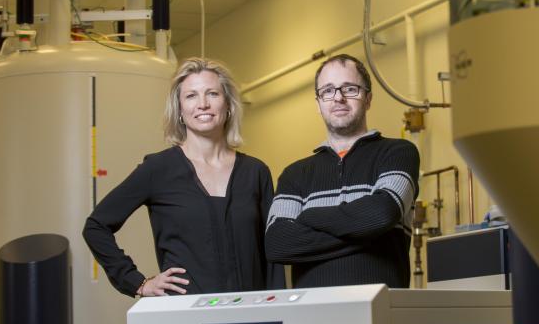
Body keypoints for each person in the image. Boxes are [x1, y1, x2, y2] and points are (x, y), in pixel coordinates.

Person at [83, 58, 279, 297]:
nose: (203, 104)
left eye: (212, 94)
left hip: (252, 313)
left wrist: (277, 308)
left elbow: (273, 254)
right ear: (180, 111)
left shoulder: (255, 172)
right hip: (184, 314)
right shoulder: (158, 169)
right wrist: (138, 283)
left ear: (228, 105)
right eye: (191, 96)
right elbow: (96, 226)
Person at [265, 54, 420, 288]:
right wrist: (371, 234)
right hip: (312, 316)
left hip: (379, 313)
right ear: (318, 104)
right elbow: (278, 244)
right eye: (327, 91)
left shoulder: (398, 153)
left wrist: (308, 217)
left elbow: (382, 214)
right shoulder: (295, 174)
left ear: (368, 99)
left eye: (350, 89)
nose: (338, 98)